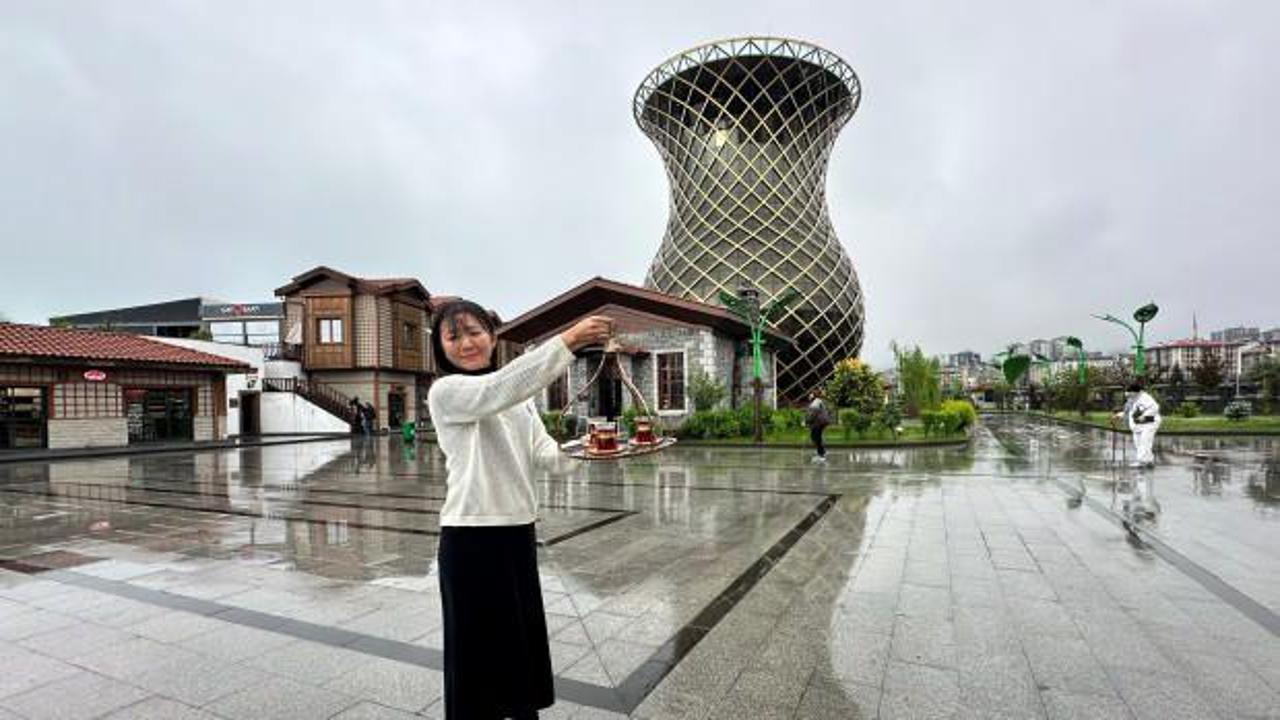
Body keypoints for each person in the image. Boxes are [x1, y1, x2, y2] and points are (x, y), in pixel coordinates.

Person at [427, 300, 613, 720]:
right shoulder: (448, 393)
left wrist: (594, 452)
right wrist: (566, 342)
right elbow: (497, 390)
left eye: (474, 332)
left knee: (518, 650)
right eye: (453, 336)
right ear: (440, 348)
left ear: (492, 337)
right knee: (476, 660)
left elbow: (545, 452)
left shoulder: (518, 399)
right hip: (469, 538)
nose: (466, 343)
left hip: (517, 534)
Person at [1114, 381, 1161, 469]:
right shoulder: (1132, 399)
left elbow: (1155, 407)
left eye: (1130, 392)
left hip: (1149, 423)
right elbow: (1129, 411)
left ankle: (1142, 461)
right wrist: (1119, 415)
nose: (1128, 395)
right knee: (1138, 443)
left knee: (1145, 442)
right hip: (1137, 426)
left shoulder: (1145, 398)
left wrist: (1145, 416)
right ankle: (1149, 460)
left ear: (1135, 392)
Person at [806, 389, 830, 464]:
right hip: (820, 422)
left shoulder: (816, 401)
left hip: (819, 422)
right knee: (816, 437)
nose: (809, 396)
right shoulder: (817, 401)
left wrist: (808, 420)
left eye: (810, 394)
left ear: (813, 395)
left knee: (815, 437)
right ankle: (822, 452)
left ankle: (821, 455)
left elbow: (814, 413)